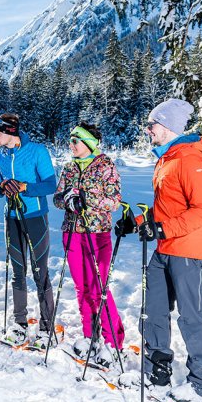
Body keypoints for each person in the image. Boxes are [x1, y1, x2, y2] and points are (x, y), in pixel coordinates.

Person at [136, 98, 202, 402]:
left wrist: (163, 229)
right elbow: (168, 207)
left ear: (168, 127)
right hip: (166, 247)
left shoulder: (189, 159)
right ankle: (157, 369)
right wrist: (143, 223)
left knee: (192, 315)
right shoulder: (167, 158)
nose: (148, 130)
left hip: (191, 249)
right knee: (154, 308)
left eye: (152, 124)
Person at [53, 122, 124, 367]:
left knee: (100, 288)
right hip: (72, 232)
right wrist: (68, 200)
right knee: (82, 287)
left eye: (76, 140)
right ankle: (89, 334)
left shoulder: (106, 166)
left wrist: (86, 199)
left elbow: (114, 201)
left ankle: (113, 341)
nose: (71, 145)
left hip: (97, 234)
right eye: (70, 140)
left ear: (89, 143)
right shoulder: (70, 167)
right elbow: (57, 197)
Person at [0, 113, 57, 348]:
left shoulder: (37, 151)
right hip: (12, 219)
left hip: (35, 217)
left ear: (9, 132)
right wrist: (2, 186)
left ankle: (47, 327)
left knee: (41, 272)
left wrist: (24, 186)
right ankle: (19, 324)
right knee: (18, 271)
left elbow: (51, 184)